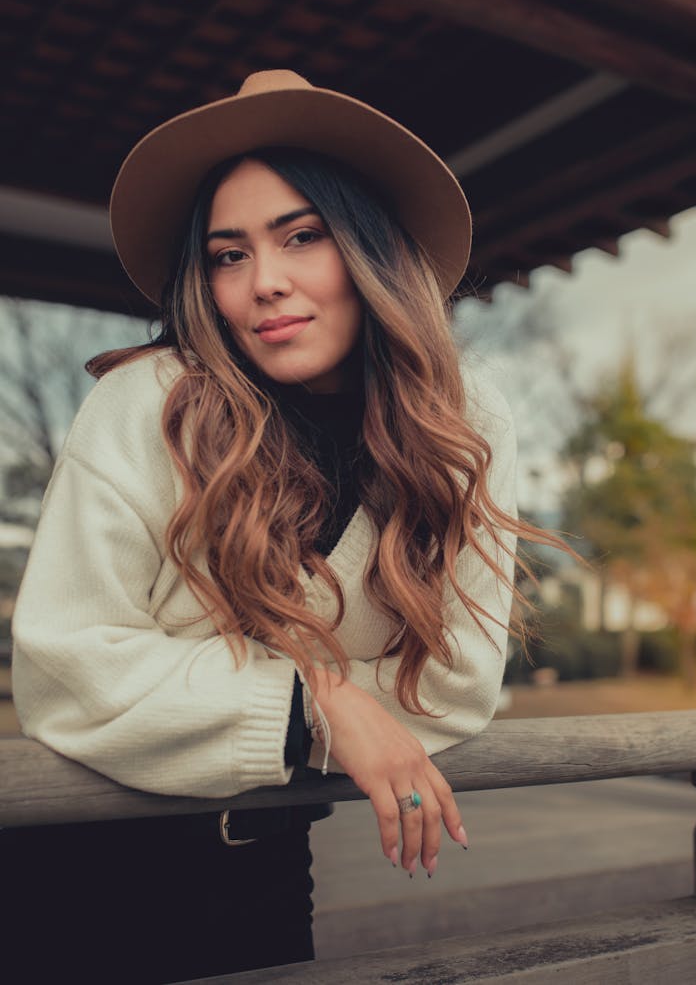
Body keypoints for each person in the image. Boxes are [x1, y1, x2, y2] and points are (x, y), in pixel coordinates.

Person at [10, 70, 539, 983]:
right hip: (77, 853)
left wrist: (261, 704)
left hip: (264, 854)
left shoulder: (464, 425)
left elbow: (454, 685)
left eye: (304, 235)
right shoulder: (149, 404)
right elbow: (67, 662)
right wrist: (319, 701)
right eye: (228, 254)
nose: (265, 282)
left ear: (371, 247)